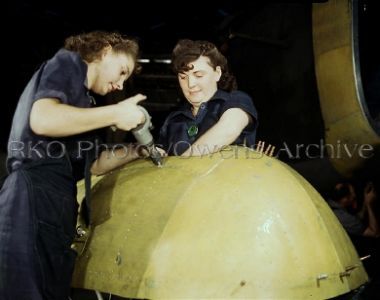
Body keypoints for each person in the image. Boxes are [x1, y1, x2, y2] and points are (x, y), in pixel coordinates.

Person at [0, 31, 150, 300]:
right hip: (33, 194)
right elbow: (42, 119)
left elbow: (96, 166)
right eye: (122, 71)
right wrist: (116, 113)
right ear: (104, 51)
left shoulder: (83, 105)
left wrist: (139, 149)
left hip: (58, 205)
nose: (119, 84)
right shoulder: (68, 63)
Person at [158, 39, 258, 156]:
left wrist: (182, 165)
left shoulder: (236, 100)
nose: (190, 84)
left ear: (217, 73)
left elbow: (229, 128)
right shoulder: (173, 120)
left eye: (199, 75)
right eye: (183, 77)